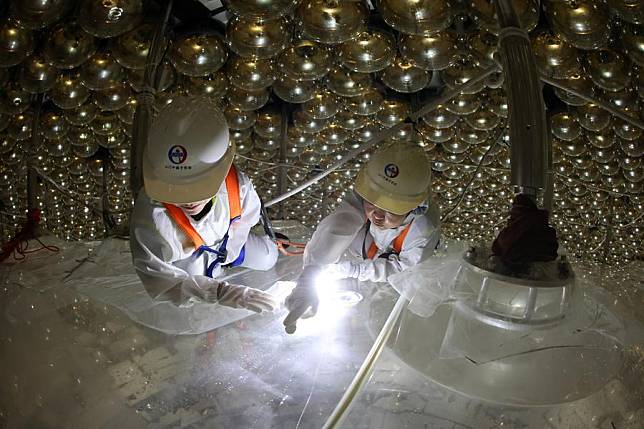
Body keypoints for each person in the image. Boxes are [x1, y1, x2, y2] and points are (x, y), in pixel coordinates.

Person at [130, 97, 279, 314]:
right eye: (175, 190)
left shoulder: (237, 186)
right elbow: (158, 277)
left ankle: (224, 265)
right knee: (193, 299)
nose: (188, 201)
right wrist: (217, 291)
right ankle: (204, 284)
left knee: (268, 257)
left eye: (198, 189)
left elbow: (246, 220)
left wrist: (229, 253)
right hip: (189, 261)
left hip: (225, 246)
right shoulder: (151, 215)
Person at [283, 141, 440, 333]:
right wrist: (311, 273)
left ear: (414, 207)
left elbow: (402, 269)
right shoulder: (369, 193)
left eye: (391, 210)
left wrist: (355, 271)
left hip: (397, 275)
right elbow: (339, 223)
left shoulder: (422, 232)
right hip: (368, 250)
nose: (377, 215)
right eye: (372, 204)